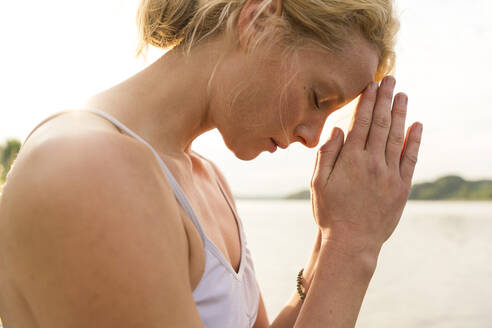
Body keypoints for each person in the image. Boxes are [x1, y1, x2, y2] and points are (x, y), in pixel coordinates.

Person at [0, 0, 423, 326]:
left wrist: (329, 242)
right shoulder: (90, 169)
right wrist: (353, 246)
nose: (312, 137)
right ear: (258, 20)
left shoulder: (206, 180)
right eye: (318, 98)